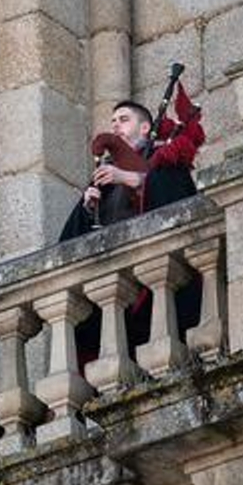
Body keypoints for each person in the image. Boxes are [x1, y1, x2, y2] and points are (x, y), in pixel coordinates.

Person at [58, 84, 206, 368]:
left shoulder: (165, 161)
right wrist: (87, 208)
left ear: (145, 128)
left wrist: (130, 178)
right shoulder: (105, 176)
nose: (116, 126)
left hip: (154, 279)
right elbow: (71, 241)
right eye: (113, 121)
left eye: (124, 120)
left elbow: (174, 201)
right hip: (115, 288)